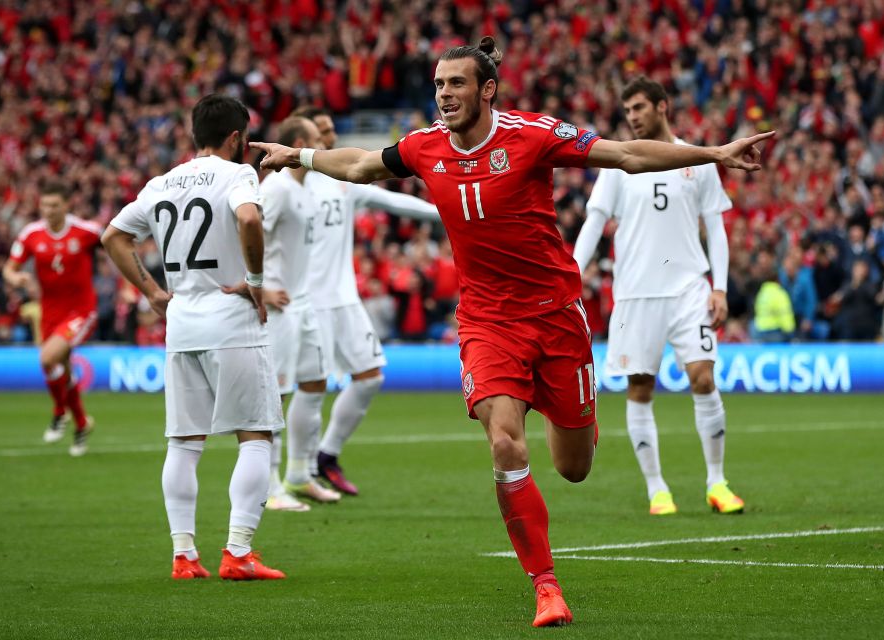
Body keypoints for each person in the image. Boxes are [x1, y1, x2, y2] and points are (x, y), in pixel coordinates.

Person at [251, 38, 771, 627]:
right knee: (503, 442)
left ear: (487, 89)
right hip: (486, 320)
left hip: (555, 315)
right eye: (440, 84)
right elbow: (362, 165)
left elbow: (627, 154)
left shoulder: (533, 135)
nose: (444, 94)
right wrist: (298, 156)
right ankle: (546, 586)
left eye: (456, 84)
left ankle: (573, 417)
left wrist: (714, 152)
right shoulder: (425, 147)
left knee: (574, 466)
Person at [103, 94, 285, 582]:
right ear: (235, 138)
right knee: (255, 436)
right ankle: (239, 552)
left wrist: (151, 292)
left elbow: (112, 237)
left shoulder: (160, 183)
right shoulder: (238, 174)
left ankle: (184, 555)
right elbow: (248, 218)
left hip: (181, 321)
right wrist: (254, 278)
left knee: (183, 444)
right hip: (231, 319)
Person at [573, 76, 746, 517]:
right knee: (640, 387)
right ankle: (657, 488)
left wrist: (720, 286)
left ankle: (717, 482)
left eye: (638, 107)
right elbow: (594, 222)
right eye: (627, 109)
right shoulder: (619, 165)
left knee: (703, 378)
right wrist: (570, 274)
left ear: (662, 107)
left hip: (690, 288)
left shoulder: (697, 161)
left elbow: (717, 229)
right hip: (634, 294)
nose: (631, 116)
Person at [290, 105, 440, 496]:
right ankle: (298, 472)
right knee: (312, 387)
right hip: (308, 300)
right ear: (302, 140)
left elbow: (396, 203)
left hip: (344, 299)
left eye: (329, 129)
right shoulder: (290, 184)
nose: (329, 137)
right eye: (321, 130)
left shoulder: (342, 180)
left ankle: (326, 456)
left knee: (371, 377)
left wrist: (445, 210)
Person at [259, 116, 341, 511]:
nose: (321, 147)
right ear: (296, 143)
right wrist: (255, 286)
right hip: (279, 306)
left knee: (314, 383)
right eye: (314, 141)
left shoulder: (305, 188)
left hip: (302, 302)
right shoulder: (275, 189)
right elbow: (248, 231)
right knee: (274, 394)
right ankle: (269, 486)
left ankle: (298, 474)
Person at [2, 181, 101, 456]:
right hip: (50, 311)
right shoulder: (31, 234)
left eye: (55, 205)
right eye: (45, 205)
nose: (49, 210)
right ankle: (81, 423)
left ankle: (60, 412)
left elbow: (117, 243)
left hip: (81, 310)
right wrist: (17, 277)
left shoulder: (86, 231)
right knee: (59, 367)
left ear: (67, 205)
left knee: (48, 358)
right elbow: (9, 269)